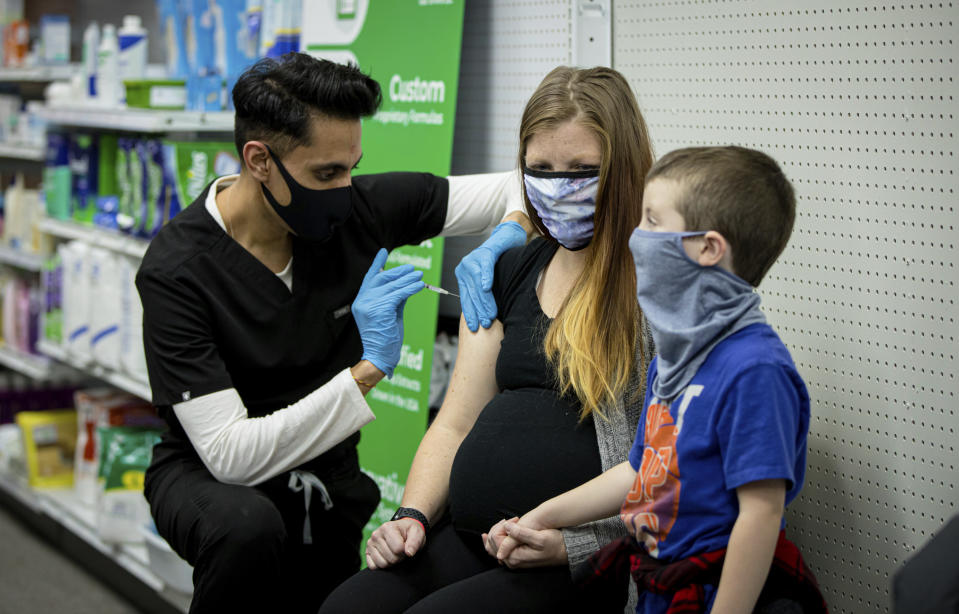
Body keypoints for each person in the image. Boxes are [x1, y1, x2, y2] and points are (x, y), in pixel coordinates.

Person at [136, 53, 533, 614]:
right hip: (207, 478)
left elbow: (528, 183)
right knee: (246, 529)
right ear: (259, 160)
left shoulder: (359, 210)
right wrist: (367, 370)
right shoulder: (178, 269)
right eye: (326, 173)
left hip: (326, 474)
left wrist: (507, 235)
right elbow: (230, 454)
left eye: (352, 166)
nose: (346, 189)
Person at [320, 65, 655, 614]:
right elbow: (455, 422)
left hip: (584, 554)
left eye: (581, 170)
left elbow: (667, 465)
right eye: (540, 169)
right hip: (469, 536)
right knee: (347, 607)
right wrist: (412, 517)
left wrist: (571, 545)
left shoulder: (654, 287)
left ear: (624, 168)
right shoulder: (509, 270)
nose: (557, 186)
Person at [494, 146, 829, 613]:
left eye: (653, 221)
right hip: (658, 583)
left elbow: (761, 513)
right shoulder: (677, 356)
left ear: (707, 248)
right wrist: (537, 518)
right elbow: (638, 471)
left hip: (712, 589)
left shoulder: (754, 370)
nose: (637, 236)